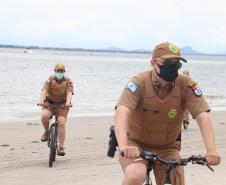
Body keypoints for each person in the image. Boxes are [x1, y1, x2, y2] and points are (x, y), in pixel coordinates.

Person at [114, 42, 221, 185]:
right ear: (153, 63)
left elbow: (203, 116)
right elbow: (122, 111)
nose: (173, 67)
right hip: (135, 144)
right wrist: (124, 146)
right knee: (135, 174)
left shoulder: (186, 84)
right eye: (168, 62)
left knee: (175, 179)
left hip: (168, 147)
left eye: (177, 63)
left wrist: (211, 151)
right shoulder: (139, 82)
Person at [39, 64, 74, 156]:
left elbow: (69, 93)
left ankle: (61, 147)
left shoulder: (68, 81)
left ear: (64, 72)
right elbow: (44, 91)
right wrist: (41, 100)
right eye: (58, 71)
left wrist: (68, 102)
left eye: (61, 71)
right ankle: (46, 132)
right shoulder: (50, 79)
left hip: (63, 104)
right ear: (55, 71)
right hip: (49, 103)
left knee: (61, 122)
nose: (60, 73)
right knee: (44, 116)